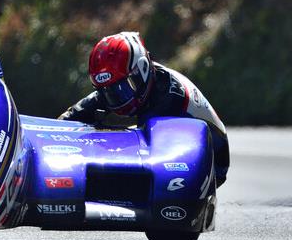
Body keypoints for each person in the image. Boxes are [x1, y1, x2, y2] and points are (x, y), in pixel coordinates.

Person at [59, 31, 230, 187]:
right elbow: (68, 119)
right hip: (174, 150)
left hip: (212, 161)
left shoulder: (169, 95)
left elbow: (139, 146)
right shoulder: (118, 85)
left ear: (142, 69)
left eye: (123, 88)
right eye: (108, 92)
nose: (117, 99)